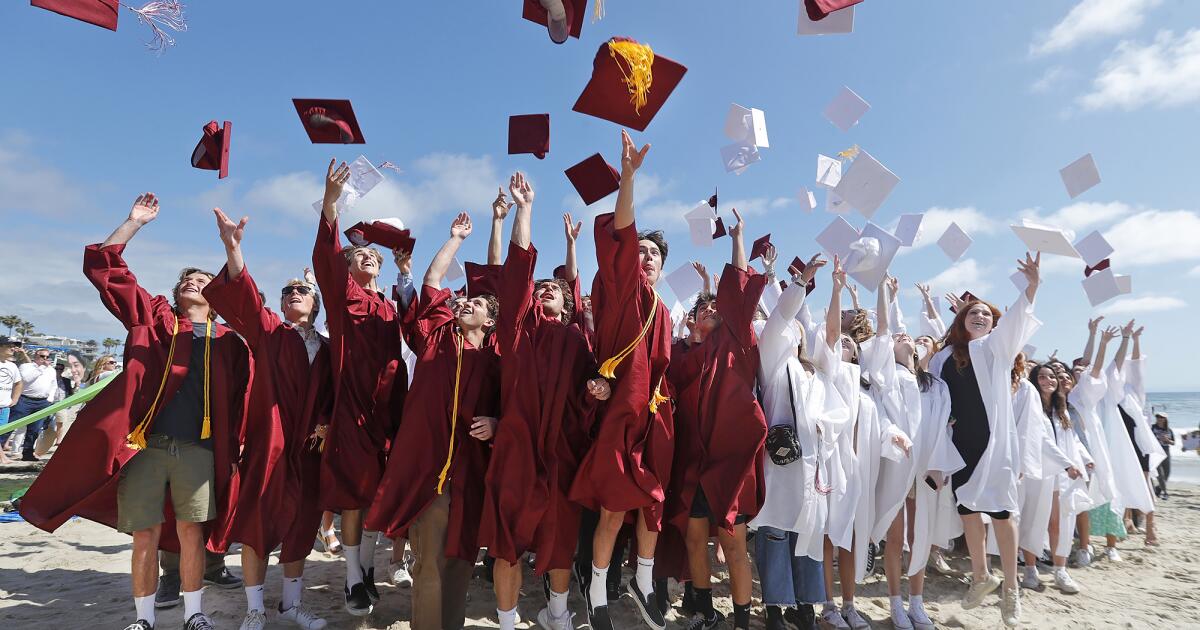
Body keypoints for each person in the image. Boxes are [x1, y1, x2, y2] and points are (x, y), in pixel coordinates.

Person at [18, 192, 251, 630]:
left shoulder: (230, 343)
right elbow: (105, 269)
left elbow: (244, 388)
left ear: (217, 295)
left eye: (202, 280)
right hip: (146, 446)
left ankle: (194, 615)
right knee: (145, 533)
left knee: (192, 532)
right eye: (186, 280)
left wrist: (232, 249)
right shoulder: (156, 318)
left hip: (199, 450)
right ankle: (143, 620)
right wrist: (133, 222)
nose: (192, 282)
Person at [365, 211, 501, 630]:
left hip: (471, 469)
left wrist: (495, 424)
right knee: (429, 562)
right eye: (465, 300)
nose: (466, 302)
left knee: (460, 559)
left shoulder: (495, 359)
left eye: (477, 303)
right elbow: (433, 279)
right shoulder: (437, 335)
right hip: (429, 470)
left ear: (490, 321)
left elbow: (510, 405)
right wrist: (456, 237)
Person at [479, 171, 600, 630]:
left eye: (555, 290)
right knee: (507, 541)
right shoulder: (518, 332)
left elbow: (588, 398)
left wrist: (599, 391)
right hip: (517, 447)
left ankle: (557, 615)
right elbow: (513, 273)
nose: (545, 289)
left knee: (560, 539)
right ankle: (507, 622)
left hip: (561, 452)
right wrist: (524, 210)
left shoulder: (577, 341)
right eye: (541, 288)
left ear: (568, 305)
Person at [204, 207, 333, 629]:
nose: (294, 293)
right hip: (271, 444)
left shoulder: (328, 350)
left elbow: (334, 397)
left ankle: (290, 605)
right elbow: (243, 294)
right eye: (287, 291)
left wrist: (326, 425)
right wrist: (232, 248)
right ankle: (255, 608)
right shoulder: (270, 332)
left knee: (303, 524)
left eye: (302, 290)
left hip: (309, 449)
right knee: (258, 523)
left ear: (315, 304)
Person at [568, 130, 675, 630]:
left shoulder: (665, 312)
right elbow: (623, 236)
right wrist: (628, 178)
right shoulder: (622, 293)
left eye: (656, 254)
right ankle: (596, 593)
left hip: (654, 419)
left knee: (653, 504)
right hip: (620, 416)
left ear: (663, 267)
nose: (647, 257)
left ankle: (644, 582)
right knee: (612, 510)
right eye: (643, 251)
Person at [311, 160, 409, 616]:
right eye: (358, 255)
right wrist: (331, 204)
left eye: (374, 256)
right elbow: (327, 257)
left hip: (387, 413)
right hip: (352, 410)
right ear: (346, 267)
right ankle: (352, 577)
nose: (368, 257)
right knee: (353, 496)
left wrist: (405, 270)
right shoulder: (342, 296)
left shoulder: (388, 306)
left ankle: (366, 568)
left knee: (376, 497)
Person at [662, 208, 767, 630]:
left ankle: (741, 620)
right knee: (693, 537)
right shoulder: (685, 357)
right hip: (694, 461)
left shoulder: (737, 340)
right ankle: (704, 611)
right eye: (702, 308)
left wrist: (737, 239)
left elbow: (738, 289)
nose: (709, 310)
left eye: (714, 307)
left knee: (733, 541)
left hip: (730, 462)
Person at [928, 252, 1041, 628]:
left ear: (994, 323)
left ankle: (1011, 588)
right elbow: (935, 396)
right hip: (960, 443)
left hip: (996, 443)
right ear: (961, 320)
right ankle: (980, 576)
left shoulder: (997, 348)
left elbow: (1017, 322)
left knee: (1003, 513)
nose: (979, 316)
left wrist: (1031, 287)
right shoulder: (944, 356)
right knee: (967, 509)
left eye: (986, 314)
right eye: (972, 313)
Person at [751, 254, 840, 630]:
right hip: (781, 463)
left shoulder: (817, 373)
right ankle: (775, 608)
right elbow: (781, 317)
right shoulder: (774, 364)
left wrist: (823, 429)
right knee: (775, 532)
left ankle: (805, 607)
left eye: (801, 328)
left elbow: (837, 413)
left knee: (808, 535)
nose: (794, 329)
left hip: (813, 466)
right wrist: (800, 281)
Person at [863, 276, 956, 630]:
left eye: (914, 339)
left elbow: (941, 429)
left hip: (925, 469)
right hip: (897, 464)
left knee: (920, 536)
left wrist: (938, 466)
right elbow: (887, 328)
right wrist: (885, 291)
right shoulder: (887, 377)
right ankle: (895, 602)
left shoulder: (937, 386)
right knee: (895, 535)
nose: (907, 338)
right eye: (901, 337)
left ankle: (917, 602)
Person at [1016, 363, 1088, 595]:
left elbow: (1073, 439)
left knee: (1059, 522)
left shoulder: (1061, 409)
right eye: (1043, 377)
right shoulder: (1032, 407)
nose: (1049, 381)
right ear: (1035, 382)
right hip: (1040, 471)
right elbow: (1042, 440)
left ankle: (1060, 570)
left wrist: (1085, 459)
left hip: (1062, 474)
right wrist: (1066, 463)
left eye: (1052, 377)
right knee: (1033, 519)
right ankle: (1030, 569)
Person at [12, 345, 58, 461]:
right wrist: (41, 368)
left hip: (42, 402)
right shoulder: (26, 366)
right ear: (36, 356)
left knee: (35, 429)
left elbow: (53, 385)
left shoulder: (51, 370)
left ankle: (27, 453)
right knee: (12, 425)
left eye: (47, 357)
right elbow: (26, 379)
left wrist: (50, 399)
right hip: (25, 399)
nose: (45, 359)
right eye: (42, 356)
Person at [0, 336, 24, 464]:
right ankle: (2, 457)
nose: (13, 349)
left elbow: (19, 383)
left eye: (14, 346)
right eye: (10, 346)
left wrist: (15, 399)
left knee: (1, 433)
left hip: (4, 407)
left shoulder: (12, 366)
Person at [1152, 413, 1174, 499]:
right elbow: (1147, 438)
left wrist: (1168, 440)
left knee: (1167, 474)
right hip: (1156, 452)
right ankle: (1165, 493)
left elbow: (1173, 442)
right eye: (1157, 417)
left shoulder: (1169, 430)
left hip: (1166, 452)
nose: (1159, 418)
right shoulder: (1152, 428)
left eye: (1161, 417)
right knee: (1160, 474)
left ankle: (1158, 489)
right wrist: (1157, 439)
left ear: (1165, 419)